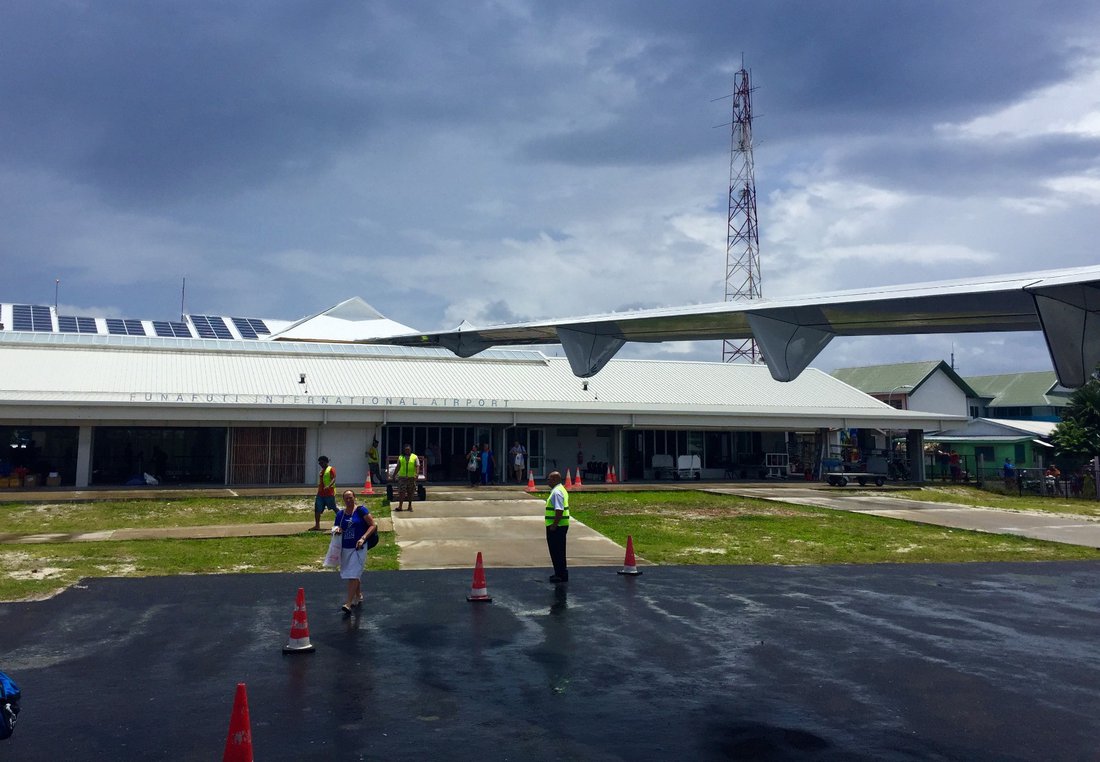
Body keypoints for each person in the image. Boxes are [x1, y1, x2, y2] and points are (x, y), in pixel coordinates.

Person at [333, 489, 376, 615]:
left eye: (350, 497)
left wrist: (363, 538)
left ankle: (348, 603)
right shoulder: (340, 514)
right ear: (343, 500)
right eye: (346, 498)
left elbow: (372, 525)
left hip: (359, 547)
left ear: (354, 497)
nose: (348, 500)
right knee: (353, 573)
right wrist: (337, 530)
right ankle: (358, 594)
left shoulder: (361, 510)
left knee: (353, 574)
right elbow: (336, 527)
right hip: (346, 548)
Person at [545, 470, 570, 583]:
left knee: (557, 551)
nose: (548, 481)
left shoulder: (557, 492)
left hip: (557, 526)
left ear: (555, 479)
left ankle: (560, 574)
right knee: (558, 550)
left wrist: (554, 525)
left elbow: (559, 510)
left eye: (549, 479)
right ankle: (560, 572)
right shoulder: (560, 489)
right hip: (560, 525)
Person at [312, 455, 337, 530]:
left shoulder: (331, 469)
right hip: (320, 493)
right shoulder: (322, 471)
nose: (320, 464)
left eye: (322, 463)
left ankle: (343, 520)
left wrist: (329, 486)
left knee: (334, 508)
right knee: (317, 509)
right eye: (319, 463)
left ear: (326, 462)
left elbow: (333, 479)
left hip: (329, 493)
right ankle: (317, 525)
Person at [393, 444, 419, 512]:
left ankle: (410, 506)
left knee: (410, 492)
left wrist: (416, 474)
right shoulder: (401, 457)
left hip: (411, 477)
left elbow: (417, 466)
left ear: (410, 450)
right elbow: (398, 466)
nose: (407, 451)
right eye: (406, 450)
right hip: (402, 478)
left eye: (408, 449)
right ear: (404, 450)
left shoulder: (414, 457)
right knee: (402, 492)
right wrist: (394, 475)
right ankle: (400, 506)